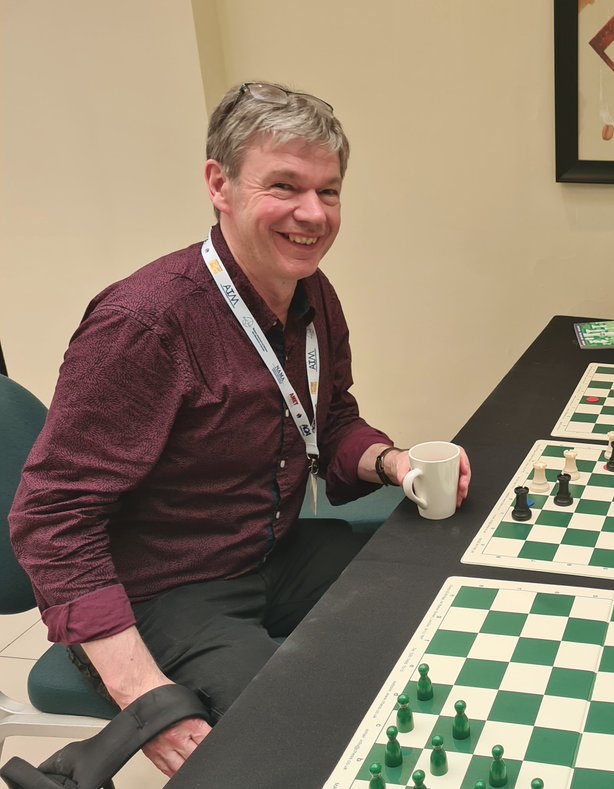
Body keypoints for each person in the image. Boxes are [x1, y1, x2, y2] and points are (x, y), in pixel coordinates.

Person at [9, 81, 471, 776]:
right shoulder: (144, 325)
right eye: (285, 186)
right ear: (218, 184)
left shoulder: (313, 293)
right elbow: (51, 518)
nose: (313, 214)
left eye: (330, 191)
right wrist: (144, 692)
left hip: (270, 553)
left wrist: (393, 461)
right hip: (162, 589)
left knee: (427, 599)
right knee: (291, 734)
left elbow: (329, 416)